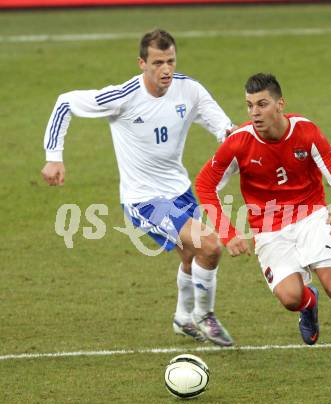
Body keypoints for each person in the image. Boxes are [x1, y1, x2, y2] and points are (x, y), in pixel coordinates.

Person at [41, 29, 234, 347]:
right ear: (142, 63)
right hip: (144, 200)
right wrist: (54, 157)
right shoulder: (123, 97)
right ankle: (204, 315)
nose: (166, 69)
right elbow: (65, 103)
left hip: (180, 190)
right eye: (158, 62)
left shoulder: (190, 91)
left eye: (170, 60)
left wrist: (235, 151)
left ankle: (183, 319)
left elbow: (225, 129)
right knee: (210, 245)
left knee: (191, 255)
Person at [195, 73, 331, 374]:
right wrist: (228, 232)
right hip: (269, 229)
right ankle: (308, 304)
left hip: (310, 215)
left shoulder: (306, 132)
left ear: (280, 104)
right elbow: (205, 184)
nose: (254, 113)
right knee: (291, 298)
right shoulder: (239, 144)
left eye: (262, 104)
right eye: (249, 106)